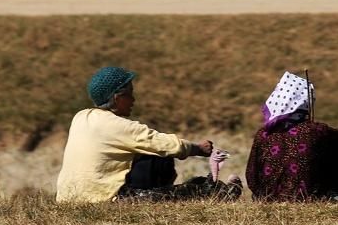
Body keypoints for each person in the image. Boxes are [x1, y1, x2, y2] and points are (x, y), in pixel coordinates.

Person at [56, 66, 242, 203]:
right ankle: (224, 193)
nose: (134, 100)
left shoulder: (80, 118)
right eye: (130, 94)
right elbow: (164, 144)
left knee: (149, 156)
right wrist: (198, 149)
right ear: (117, 98)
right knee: (183, 187)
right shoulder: (117, 126)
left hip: (68, 199)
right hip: (101, 200)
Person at [245, 71, 338, 202]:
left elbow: (251, 175)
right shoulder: (316, 130)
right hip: (307, 199)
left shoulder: (263, 134)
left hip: (268, 200)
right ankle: (337, 200)